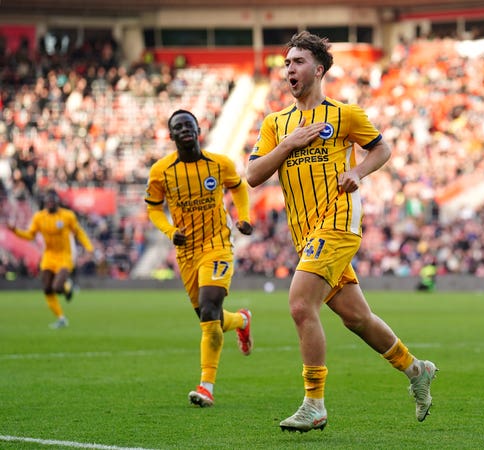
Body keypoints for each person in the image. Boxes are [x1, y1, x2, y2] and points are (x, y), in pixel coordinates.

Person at [246, 31, 438, 432]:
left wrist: (357, 171)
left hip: (338, 223)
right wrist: (288, 145)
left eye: (297, 62)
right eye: (286, 63)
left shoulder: (344, 114)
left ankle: (313, 404)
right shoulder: (275, 123)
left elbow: (381, 149)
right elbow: (252, 175)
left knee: (300, 304)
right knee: (357, 318)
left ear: (318, 69)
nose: (289, 69)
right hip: (305, 233)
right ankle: (416, 369)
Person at [145, 109, 254, 408]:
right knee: (212, 318)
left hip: (218, 245)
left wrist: (242, 217)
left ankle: (206, 386)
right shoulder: (161, 171)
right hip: (186, 253)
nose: (184, 130)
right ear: (171, 136)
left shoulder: (219, 164)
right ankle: (242, 320)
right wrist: (169, 230)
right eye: (178, 127)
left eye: (188, 125)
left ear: (198, 130)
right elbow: (154, 208)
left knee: (208, 311)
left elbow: (239, 187)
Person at [8, 188, 94, 328]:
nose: (50, 203)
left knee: (57, 286)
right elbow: (30, 235)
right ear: (45, 203)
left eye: (52, 201)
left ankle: (67, 288)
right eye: (48, 201)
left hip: (65, 256)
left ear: (57, 202)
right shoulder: (39, 217)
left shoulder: (67, 216)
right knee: (47, 288)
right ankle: (61, 318)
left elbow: (79, 233)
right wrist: (15, 231)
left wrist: (89, 248)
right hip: (48, 256)